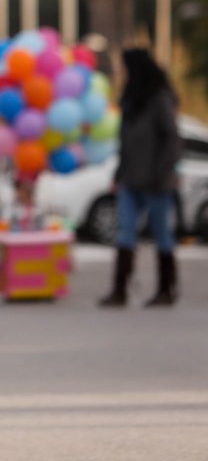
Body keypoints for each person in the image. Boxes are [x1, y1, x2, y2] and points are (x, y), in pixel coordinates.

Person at [99, 47, 182, 308]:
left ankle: (166, 290)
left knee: (161, 234)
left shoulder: (159, 99)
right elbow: (125, 141)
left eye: (126, 68)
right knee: (125, 232)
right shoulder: (130, 99)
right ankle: (119, 291)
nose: (123, 73)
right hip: (130, 178)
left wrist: (162, 171)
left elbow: (172, 139)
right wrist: (119, 172)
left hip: (157, 181)